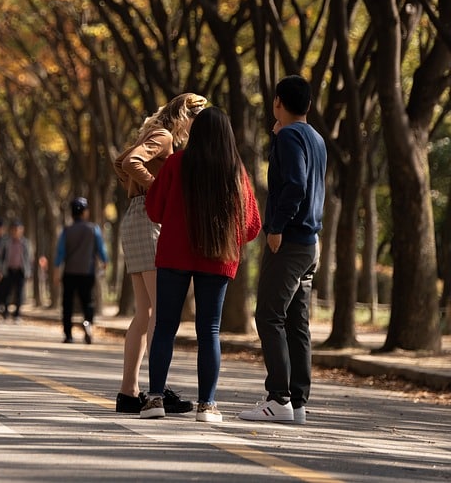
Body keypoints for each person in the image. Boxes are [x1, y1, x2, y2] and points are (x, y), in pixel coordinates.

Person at [139, 107, 263, 423]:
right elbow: (251, 225)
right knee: (209, 330)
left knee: (166, 325)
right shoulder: (236, 172)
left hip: (174, 254)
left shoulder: (176, 164)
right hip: (216, 257)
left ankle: (154, 399)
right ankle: (207, 405)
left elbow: (153, 210)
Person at [113, 92, 208, 414]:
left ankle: (129, 392)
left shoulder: (155, 134)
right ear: (187, 117)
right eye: (198, 121)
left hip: (136, 218)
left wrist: (136, 189)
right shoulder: (163, 136)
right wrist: (155, 187)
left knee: (146, 313)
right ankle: (157, 389)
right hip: (148, 219)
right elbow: (129, 162)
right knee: (162, 310)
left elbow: (120, 161)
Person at [238, 75, 326, 425]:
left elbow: (295, 185)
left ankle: (278, 398)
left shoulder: (289, 136)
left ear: (278, 102)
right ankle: (298, 402)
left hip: (289, 241)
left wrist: (275, 228)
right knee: (296, 322)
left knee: (268, 316)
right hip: (310, 243)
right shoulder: (316, 138)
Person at [54, 197, 107, 343]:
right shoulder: (93, 229)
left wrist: (56, 270)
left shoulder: (67, 230)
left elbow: (60, 252)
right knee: (88, 301)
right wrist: (105, 262)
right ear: (84, 212)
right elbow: (101, 249)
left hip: (70, 272)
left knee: (67, 304)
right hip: (87, 272)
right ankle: (87, 323)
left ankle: (68, 334)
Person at [0, 220, 33, 320]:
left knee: (19, 293)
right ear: (11, 230)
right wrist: (0, 270)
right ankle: (5, 312)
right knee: (6, 292)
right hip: (8, 270)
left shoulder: (25, 243)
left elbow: (29, 258)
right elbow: (1, 257)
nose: (16, 231)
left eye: (18, 229)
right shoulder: (6, 242)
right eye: (14, 229)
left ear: (22, 230)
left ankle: (17, 314)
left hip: (20, 271)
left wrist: (29, 271)